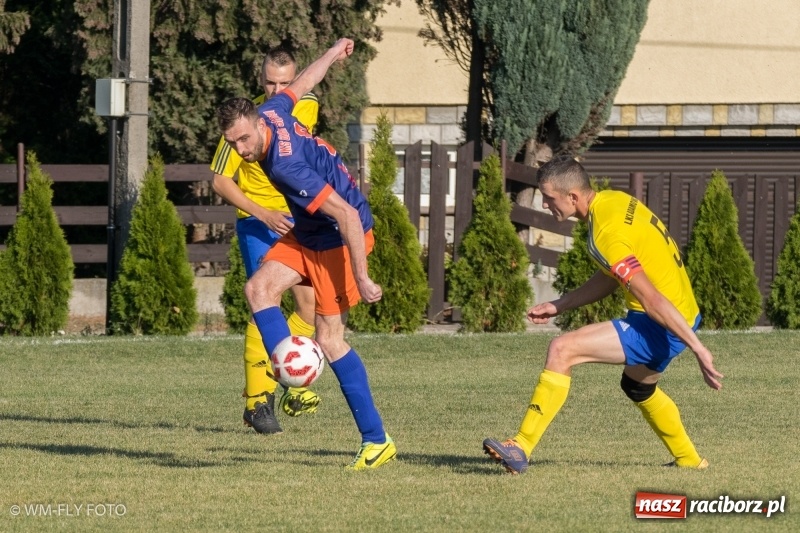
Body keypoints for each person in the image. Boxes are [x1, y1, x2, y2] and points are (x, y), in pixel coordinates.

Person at [215, 38, 396, 470]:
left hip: (339, 237)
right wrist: (332, 53)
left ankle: (377, 441)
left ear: (257, 125)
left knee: (330, 339)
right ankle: (292, 373)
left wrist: (363, 276)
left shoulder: (286, 166)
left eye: (244, 140)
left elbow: (347, 214)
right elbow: (305, 81)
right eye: (232, 142)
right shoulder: (274, 109)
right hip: (309, 231)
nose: (241, 151)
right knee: (258, 289)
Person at [483, 156, 724, 474]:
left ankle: (521, 446)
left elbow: (651, 299)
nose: (544, 204)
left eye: (549, 198)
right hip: (682, 313)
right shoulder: (615, 201)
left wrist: (699, 349)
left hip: (662, 322)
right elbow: (613, 276)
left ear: (572, 197)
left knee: (562, 349)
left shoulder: (605, 234)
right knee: (637, 387)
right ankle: (690, 460)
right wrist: (561, 304)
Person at [210, 48, 322, 435]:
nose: (277, 90)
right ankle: (257, 402)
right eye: (270, 82)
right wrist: (263, 213)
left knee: (311, 306)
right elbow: (220, 181)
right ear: (260, 81)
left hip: (297, 222)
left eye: (284, 82)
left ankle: (290, 378)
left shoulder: (306, 106)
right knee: (264, 299)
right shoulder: (245, 123)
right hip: (259, 223)